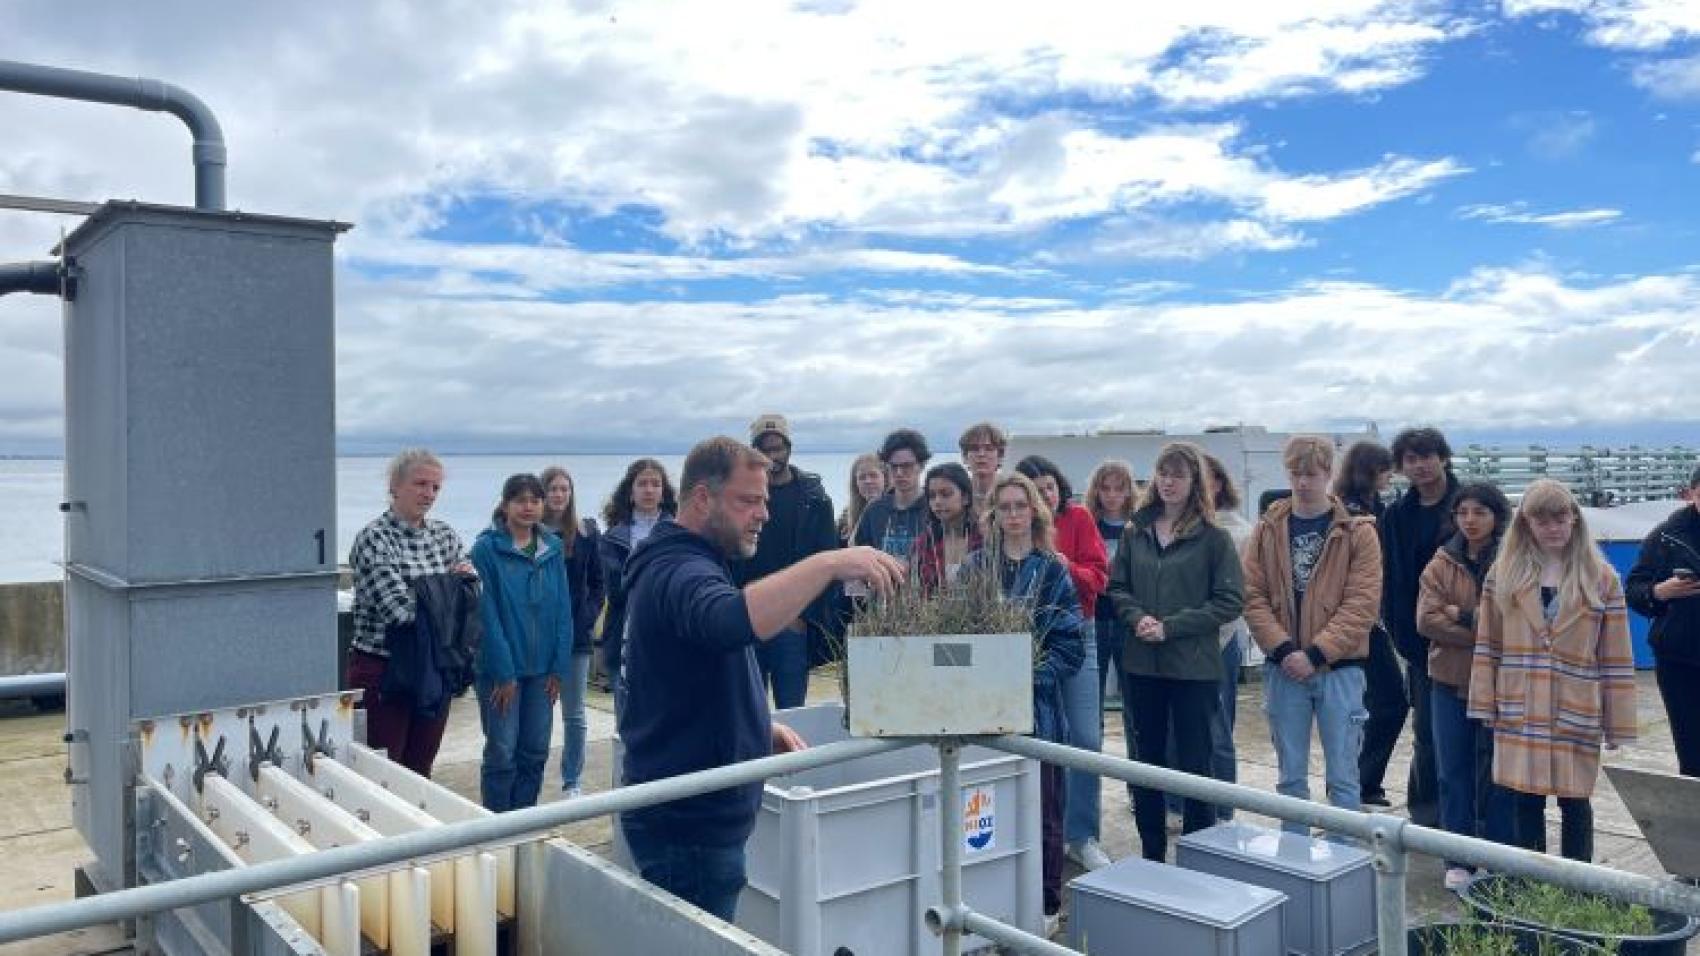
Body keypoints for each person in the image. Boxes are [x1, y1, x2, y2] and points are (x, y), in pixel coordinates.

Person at [618, 436, 905, 922]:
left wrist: (753, 725)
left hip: (689, 813)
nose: (763, 514)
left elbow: (679, 677)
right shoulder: (680, 569)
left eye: (765, 501)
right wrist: (831, 561)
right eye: (748, 500)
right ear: (703, 498)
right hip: (690, 828)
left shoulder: (681, 559)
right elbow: (731, 621)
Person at [1468, 480, 1637, 863]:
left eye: (1561, 518)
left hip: (1573, 707)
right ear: (1526, 524)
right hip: (1520, 704)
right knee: (1525, 801)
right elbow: (1487, 645)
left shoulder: (1602, 578)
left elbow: (1615, 658)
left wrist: (1618, 724)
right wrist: (1484, 704)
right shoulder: (1504, 574)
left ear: (1574, 519)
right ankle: (1534, 885)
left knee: (1575, 802)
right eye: (1542, 520)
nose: (1553, 527)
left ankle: (1579, 887)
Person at [1107, 441, 1245, 860]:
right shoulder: (1136, 531)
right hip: (1141, 664)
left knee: (1194, 763)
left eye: (1179, 475)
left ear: (1195, 483)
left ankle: (1197, 852)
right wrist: (1137, 619)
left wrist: (1172, 628)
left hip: (1194, 668)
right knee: (1146, 761)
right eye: (1163, 473)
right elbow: (1118, 587)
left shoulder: (1214, 538)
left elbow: (1229, 601)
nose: (1169, 482)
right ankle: (1151, 852)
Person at [1243, 437, 1381, 834]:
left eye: (1312, 474)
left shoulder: (1359, 532)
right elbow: (1252, 595)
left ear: (1328, 475)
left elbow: (1362, 602)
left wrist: (1317, 654)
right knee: (1290, 779)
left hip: (1340, 670)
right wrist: (1284, 649)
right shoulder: (1267, 529)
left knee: (1343, 779)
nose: (1303, 482)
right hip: (1283, 669)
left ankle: (1345, 865)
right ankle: (1296, 861)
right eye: (1296, 473)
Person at [968, 472, 1086, 934]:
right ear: (993, 515)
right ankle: (991, 905)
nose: (1013, 515)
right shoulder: (977, 568)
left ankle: (1046, 903)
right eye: (1005, 507)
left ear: (1034, 511)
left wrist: (1021, 679)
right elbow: (962, 640)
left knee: (1044, 814)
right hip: (983, 717)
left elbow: (1070, 648)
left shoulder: (1053, 569)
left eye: (1021, 506)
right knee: (988, 815)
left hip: (1038, 714)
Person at [348, 449, 471, 777]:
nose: (428, 494)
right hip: (384, 670)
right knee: (382, 773)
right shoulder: (374, 539)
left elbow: (472, 596)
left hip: (434, 668)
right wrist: (450, 586)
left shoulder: (444, 535)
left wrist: (431, 590)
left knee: (420, 770)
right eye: (420, 484)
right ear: (395, 485)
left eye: (435, 487)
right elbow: (399, 612)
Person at [1015, 455, 1112, 871]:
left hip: (1078, 634)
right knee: (1035, 742)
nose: (1044, 494)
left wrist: (1063, 566)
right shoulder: (1015, 527)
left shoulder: (1078, 519)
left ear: (1059, 488)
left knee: (1085, 739)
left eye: (1049, 486)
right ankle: (1036, 832)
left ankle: (1081, 834)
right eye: (1034, 488)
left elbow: (1098, 578)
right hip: (1027, 642)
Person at [1418, 481, 1513, 889]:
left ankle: (1498, 854)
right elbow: (1426, 621)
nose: (1470, 521)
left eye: (1480, 512)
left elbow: (1515, 624)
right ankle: (1457, 858)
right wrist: (1482, 627)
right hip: (1449, 680)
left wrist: (1462, 617)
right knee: (1451, 771)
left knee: (1500, 772)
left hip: (1501, 682)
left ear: (1497, 516)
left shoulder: (1514, 560)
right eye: (1463, 513)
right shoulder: (1441, 562)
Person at [471, 474, 574, 812]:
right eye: (520, 500)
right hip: (502, 674)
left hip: (543, 671)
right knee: (502, 751)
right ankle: (498, 825)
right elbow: (486, 615)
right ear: (505, 505)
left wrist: (559, 666)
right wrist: (504, 673)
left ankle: (524, 820)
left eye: (535, 500)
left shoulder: (552, 548)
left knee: (535, 750)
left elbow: (562, 610)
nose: (528, 507)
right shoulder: (486, 549)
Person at [733, 414, 840, 710]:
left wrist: (804, 618)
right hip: (747, 620)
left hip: (792, 626)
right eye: (763, 450)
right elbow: (726, 556)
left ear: (789, 448)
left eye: (777, 448)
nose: (771, 456)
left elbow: (828, 561)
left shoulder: (815, 498)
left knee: (793, 715)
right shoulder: (739, 497)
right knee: (746, 712)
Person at [1380, 426, 1458, 825]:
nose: (1421, 465)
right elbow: (1391, 581)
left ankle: (1470, 815)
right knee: (1427, 734)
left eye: (1427, 455)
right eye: (1411, 459)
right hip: (1420, 644)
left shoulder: (1470, 504)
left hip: (1469, 640)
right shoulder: (1395, 516)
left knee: (1474, 735)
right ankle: (1427, 816)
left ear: (1443, 457)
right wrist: (1405, 639)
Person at [1335, 440, 1408, 810]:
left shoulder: (1372, 508)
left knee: (1371, 704)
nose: (1390, 476)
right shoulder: (1354, 513)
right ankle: (1362, 781)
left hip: (1368, 622)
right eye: (1385, 469)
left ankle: (1360, 781)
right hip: (1361, 624)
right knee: (1391, 701)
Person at [1627, 464, 1700, 777]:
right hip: (1679, 658)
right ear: (1692, 491)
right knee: (1692, 751)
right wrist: (1660, 591)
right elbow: (1633, 589)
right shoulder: (1665, 536)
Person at [541, 466, 605, 798]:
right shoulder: (530, 536)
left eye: (564, 489)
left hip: (577, 637)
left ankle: (572, 780)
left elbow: (598, 583)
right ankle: (533, 774)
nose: (559, 495)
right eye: (552, 489)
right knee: (539, 711)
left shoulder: (585, 534)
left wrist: (587, 616)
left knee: (574, 713)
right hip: (539, 638)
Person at [598, 458, 677, 695]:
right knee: (625, 713)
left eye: (656, 484)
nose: (649, 490)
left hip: (667, 632)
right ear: (630, 491)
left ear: (664, 492)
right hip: (623, 631)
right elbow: (614, 589)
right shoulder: (613, 537)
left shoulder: (679, 531)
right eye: (642, 483)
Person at [1203, 453, 1254, 819]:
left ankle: (1223, 810)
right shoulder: (1172, 525)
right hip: (1178, 641)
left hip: (1221, 640)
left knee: (1218, 728)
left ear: (1219, 483)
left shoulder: (1237, 531)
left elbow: (1239, 594)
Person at [1086, 460, 1139, 707]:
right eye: (1105, 488)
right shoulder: (1089, 525)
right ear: (1096, 491)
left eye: (1119, 488)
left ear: (1129, 491)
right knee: (1092, 692)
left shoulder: (1140, 526)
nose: (1112, 495)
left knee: (1133, 694)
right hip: (1096, 614)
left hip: (1128, 618)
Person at [853, 428, 932, 561]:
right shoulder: (875, 510)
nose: (899, 473)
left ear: (922, 465)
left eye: (907, 466)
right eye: (894, 466)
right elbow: (859, 558)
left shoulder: (935, 508)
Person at [912, 462, 981, 591]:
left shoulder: (984, 540)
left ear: (965, 497)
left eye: (946, 494)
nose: (937, 501)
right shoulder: (924, 543)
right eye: (932, 496)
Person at [837, 452, 887, 546]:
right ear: (856, 484)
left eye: (873, 475)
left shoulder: (896, 512)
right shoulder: (846, 518)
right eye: (862, 477)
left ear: (885, 478)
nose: (868, 481)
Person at [959, 421, 1008, 514]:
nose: (981, 454)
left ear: (1000, 456)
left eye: (989, 449)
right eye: (974, 449)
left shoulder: (1011, 491)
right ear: (965, 457)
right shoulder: (958, 494)